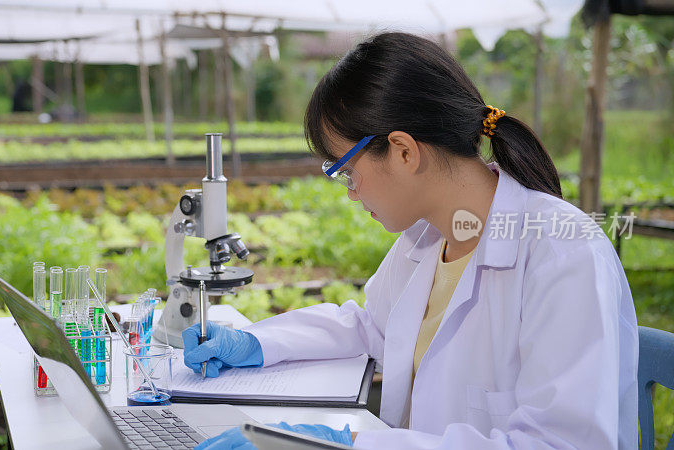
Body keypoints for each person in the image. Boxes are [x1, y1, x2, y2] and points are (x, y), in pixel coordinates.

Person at [182, 32, 638, 449]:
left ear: (403, 151)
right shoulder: (429, 237)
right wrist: (259, 343)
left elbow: (562, 443)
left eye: (346, 171)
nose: (351, 191)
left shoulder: (563, 255)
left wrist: (351, 446)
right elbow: (373, 328)